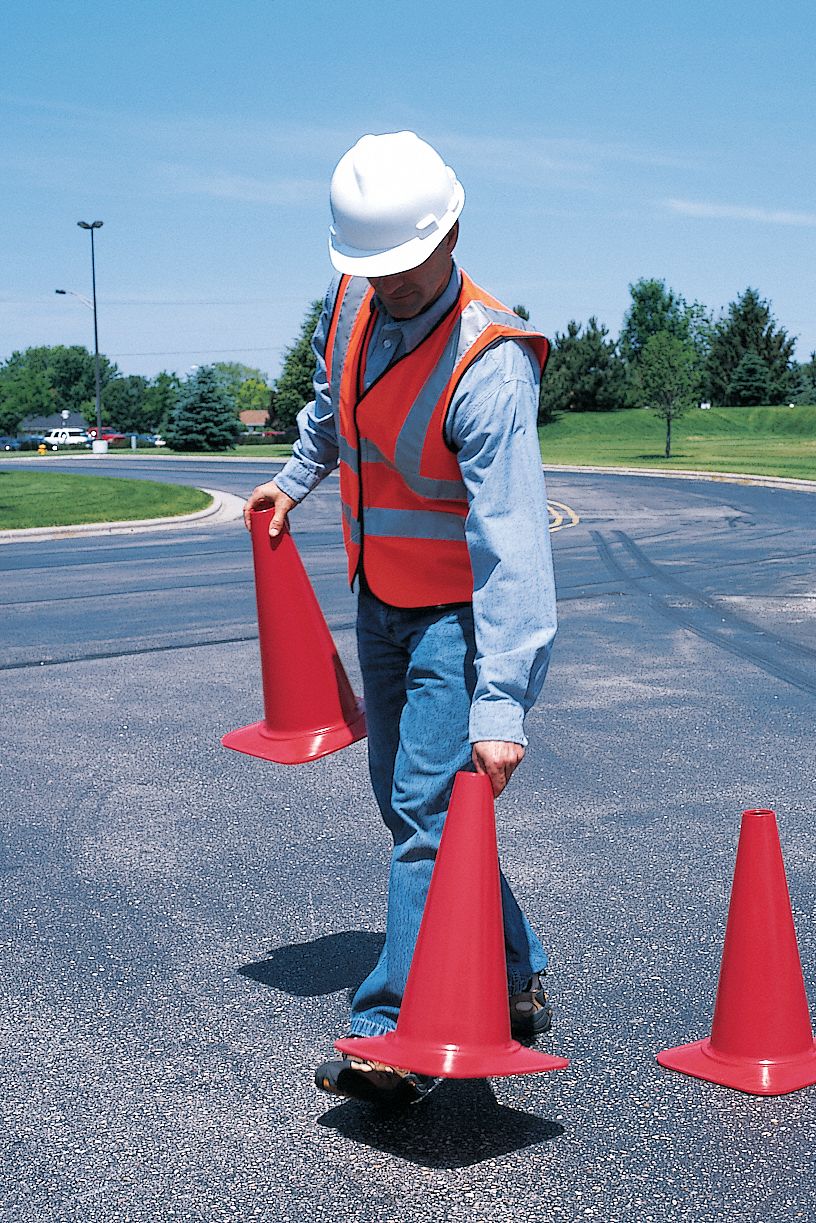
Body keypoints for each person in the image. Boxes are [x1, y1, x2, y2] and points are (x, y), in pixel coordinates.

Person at [243, 131, 557, 1105]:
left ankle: (392, 1028)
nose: (391, 284)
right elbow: (330, 409)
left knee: (423, 808)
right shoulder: (352, 300)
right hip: (378, 597)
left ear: (451, 231)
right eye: (374, 267)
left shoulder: (488, 363)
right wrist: (295, 479)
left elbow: (515, 549)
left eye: (406, 264)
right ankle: (515, 966)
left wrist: (501, 704)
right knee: (407, 799)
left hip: (456, 620)